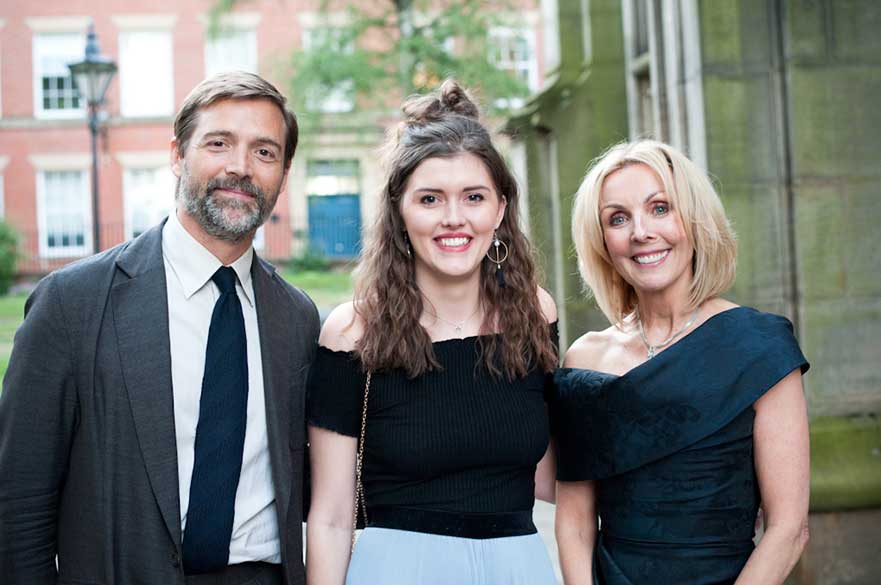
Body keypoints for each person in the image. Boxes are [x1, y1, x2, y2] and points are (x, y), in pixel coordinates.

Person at [0, 72, 319, 585]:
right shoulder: (73, 304)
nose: (240, 167)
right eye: (219, 143)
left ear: (282, 175)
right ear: (177, 155)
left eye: (264, 152)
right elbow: (19, 503)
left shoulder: (297, 318)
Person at [305, 80, 558, 585]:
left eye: (474, 197)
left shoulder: (535, 315)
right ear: (399, 212)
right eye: (430, 199)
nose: (453, 218)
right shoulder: (353, 332)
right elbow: (331, 516)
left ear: (501, 209)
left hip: (519, 569)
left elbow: (557, 477)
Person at [552, 139, 810, 585]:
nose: (641, 232)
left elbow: (788, 528)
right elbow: (575, 524)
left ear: (693, 219)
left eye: (660, 208)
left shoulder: (759, 347)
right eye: (618, 218)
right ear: (602, 241)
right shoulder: (585, 358)